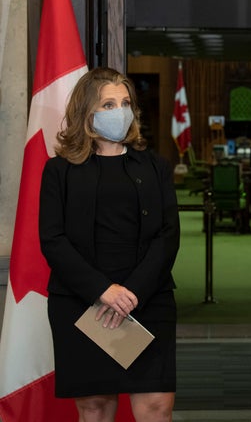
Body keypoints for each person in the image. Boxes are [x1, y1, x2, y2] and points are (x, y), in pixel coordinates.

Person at [39, 67, 180, 422]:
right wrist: (104, 291)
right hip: (84, 303)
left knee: (156, 404)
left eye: (126, 102)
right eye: (108, 104)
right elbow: (52, 240)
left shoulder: (155, 167)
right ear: (87, 113)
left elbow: (168, 235)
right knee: (95, 407)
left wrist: (131, 291)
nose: (121, 111)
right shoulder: (59, 171)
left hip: (147, 300)